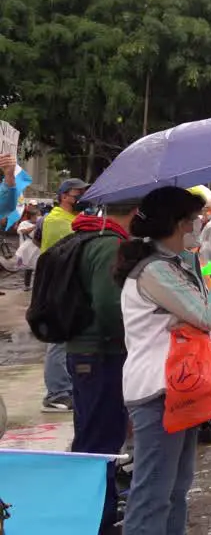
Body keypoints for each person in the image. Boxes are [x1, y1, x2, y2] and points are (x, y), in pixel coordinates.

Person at [117, 186, 211, 535]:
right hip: (158, 391)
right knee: (153, 492)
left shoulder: (174, 263)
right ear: (175, 223)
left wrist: (203, 264)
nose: (199, 224)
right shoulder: (153, 271)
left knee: (176, 489)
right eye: (192, 219)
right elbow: (208, 317)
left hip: (180, 387)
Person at [66, 199, 137, 534]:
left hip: (86, 352)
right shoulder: (111, 244)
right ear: (136, 214)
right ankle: (98, 518)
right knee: (100, 439)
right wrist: (131, 342)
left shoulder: (89, 236)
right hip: (100, 353)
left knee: (95, 433)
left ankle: (99, 508)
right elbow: (110, 306)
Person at [39, 177, 89, 413]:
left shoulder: (72, 218)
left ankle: (65, 388)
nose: (81, 198)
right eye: (77, 193)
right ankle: (56, 393)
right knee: (58, 341)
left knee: (67, 339)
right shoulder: (57, 220)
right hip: (58, 286)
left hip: (70, 285)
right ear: (64, 196)